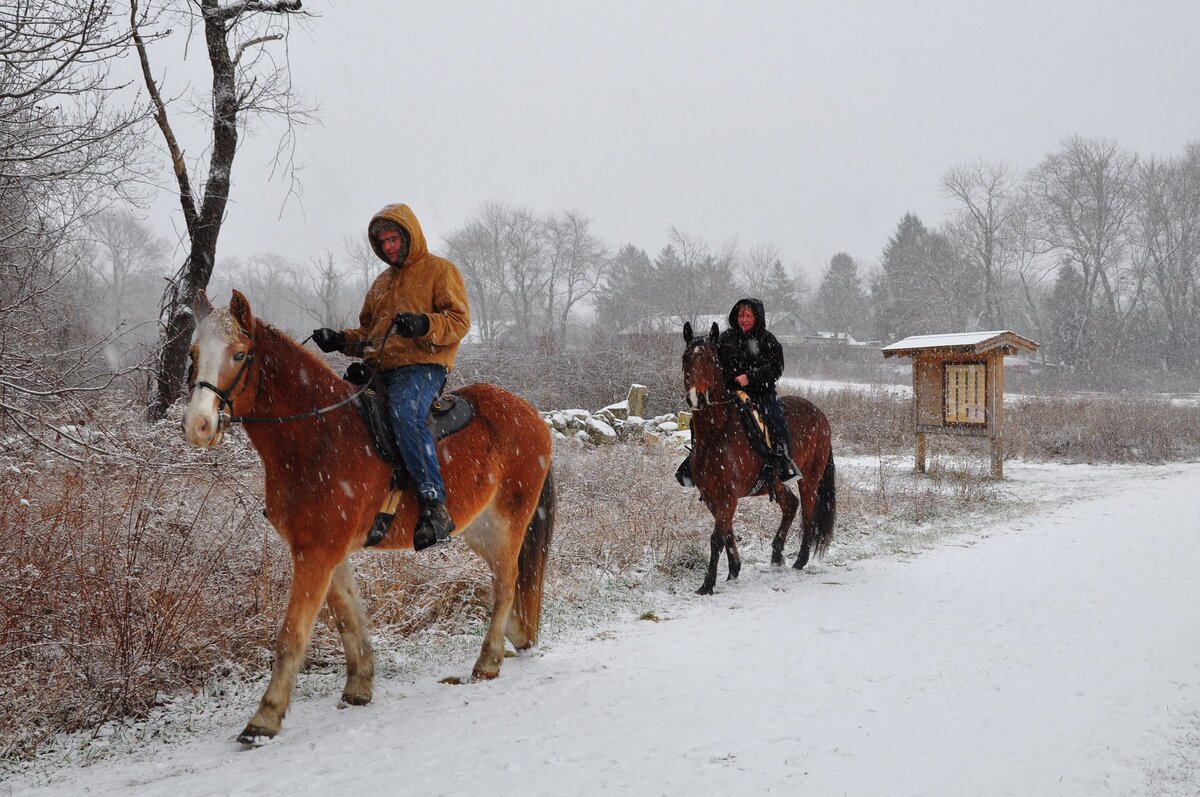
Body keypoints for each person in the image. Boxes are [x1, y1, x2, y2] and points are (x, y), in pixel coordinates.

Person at [312, 203, 470, 550]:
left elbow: (459, 322)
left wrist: (424, 323)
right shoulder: (381, 284)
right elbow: (370, 335)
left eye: (393, 239)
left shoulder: (440, 271)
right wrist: (339, 340)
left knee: (405, 413)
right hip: (377, 370)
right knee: (331, 409)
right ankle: (311, 495)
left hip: (422, 366)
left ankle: (433, 506)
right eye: (382, 242)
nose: (388, 247)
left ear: (409, 235)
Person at [716, 298, 798, 481]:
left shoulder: (768, 340)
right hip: (731, 393)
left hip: (762, 393)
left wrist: (750, 377)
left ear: (757, 317)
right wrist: (731, 379)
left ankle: (784, 462)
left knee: (776, 418)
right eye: (740, 315)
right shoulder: (725, 339)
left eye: (748, 316)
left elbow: (776, 368)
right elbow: (716, 366)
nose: (743, 319)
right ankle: (695, 461)